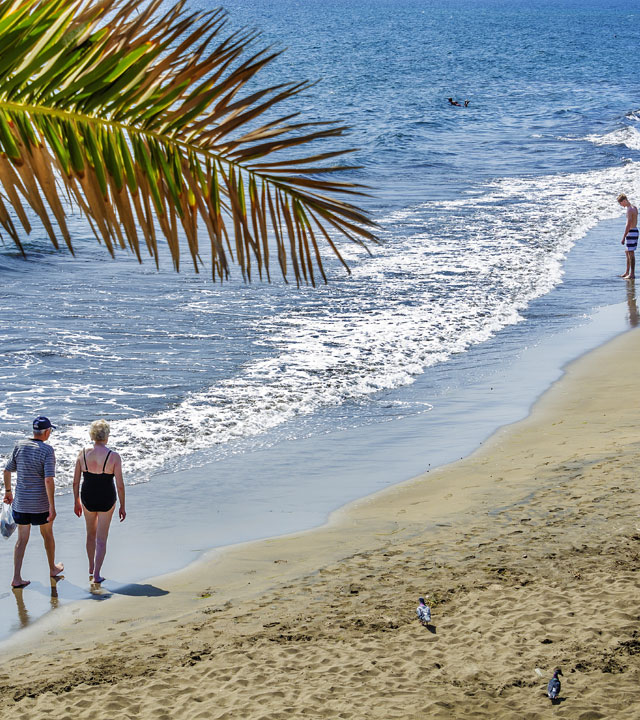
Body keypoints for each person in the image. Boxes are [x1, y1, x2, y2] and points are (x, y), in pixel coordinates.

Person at [2, 416, 64, 588]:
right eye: (50, 431)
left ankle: (16, 578)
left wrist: (8, 492)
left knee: (22, 540)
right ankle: (52, 568)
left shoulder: (19, 446)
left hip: (21, 504)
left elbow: (6, 471)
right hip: (40, 505)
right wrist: (52, 506)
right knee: (47, 535)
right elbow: (49, 480)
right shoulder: (47, 450)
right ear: (46, 432)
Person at [73, 419, 126, 584]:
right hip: (106, 497)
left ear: (92, 435)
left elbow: (75, 481)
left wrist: (76, 501)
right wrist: (123, 506)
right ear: (106, 436)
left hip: (87, 496)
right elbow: (120, 485)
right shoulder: (114, 456)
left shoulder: (82, 453)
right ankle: (96, 574)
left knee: (90, 534)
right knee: (101, 538)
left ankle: (90, 567)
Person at [617, 193, 638, 279]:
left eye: (621, 203)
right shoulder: (635, 207)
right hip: (635, 231)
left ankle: (632, 274)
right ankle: (627, 272)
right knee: (627, 252)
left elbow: (628, 224)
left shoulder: (629, 210)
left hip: (631, 231)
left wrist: (623, 237)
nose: (621, 205)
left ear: (624, 201)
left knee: (631, 253)